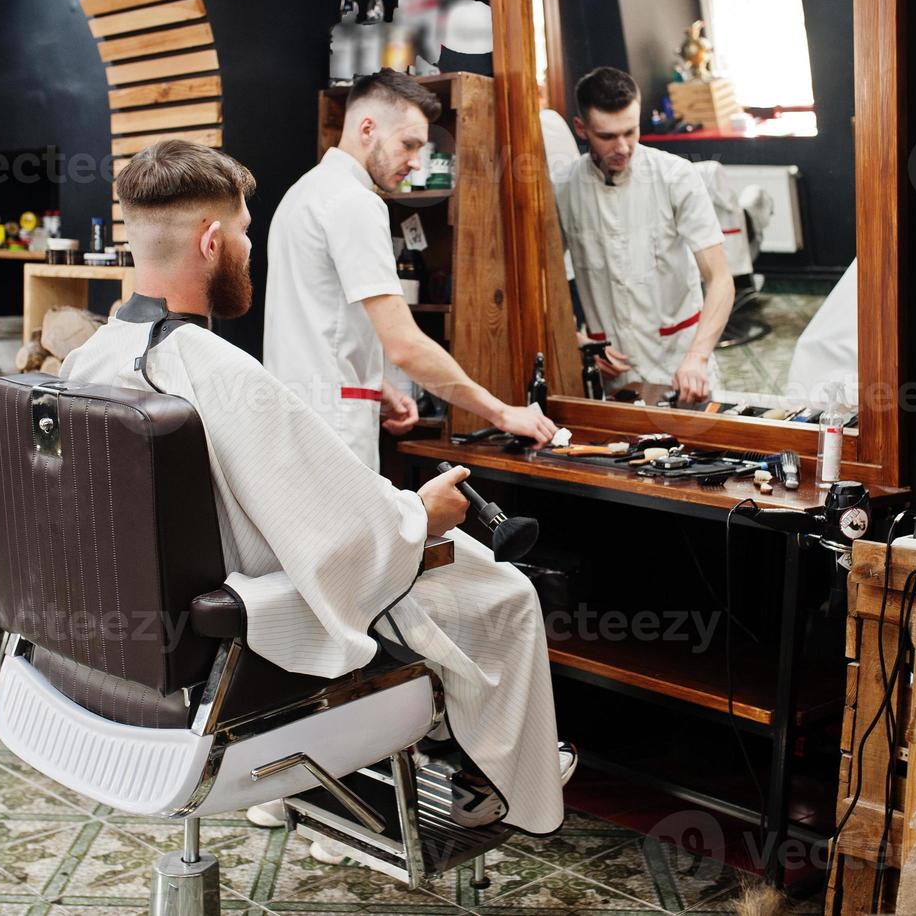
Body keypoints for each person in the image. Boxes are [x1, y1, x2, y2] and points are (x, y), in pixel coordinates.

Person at [61, 140, 573, 856]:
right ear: (211, 241)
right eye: (242, 233)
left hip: (121, 648)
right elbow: (343, 537)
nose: (245, 248)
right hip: (239, 630)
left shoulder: (93, 357)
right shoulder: (214, 368)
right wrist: (421, 514)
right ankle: (514, 787)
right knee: (504, 592)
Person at [264, 69, 556, 472]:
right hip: (331, 429)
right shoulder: (356, 203)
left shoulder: (302, 194)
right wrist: (502, 413)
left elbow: (314, 323)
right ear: (368, 128)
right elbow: (405, 346)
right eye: (408, 144)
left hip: (295, 420)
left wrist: (372, 384)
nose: (416, 163)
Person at [554, 67, 735, 403]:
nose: (622, 147)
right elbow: (542, 282)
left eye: (631, 131)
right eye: (607, 136)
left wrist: (697, 357)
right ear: (582, 129)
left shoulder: (675, 176)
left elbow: (721, 279)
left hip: (680, 360)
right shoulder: (563, 188)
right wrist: (576, 339)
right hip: (614, 371)